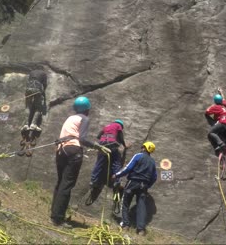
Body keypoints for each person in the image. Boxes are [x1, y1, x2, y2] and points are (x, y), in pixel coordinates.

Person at [50, 96, 111, 227]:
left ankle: (54, 214)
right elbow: (82, 139)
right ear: (87, 109)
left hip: (61, 150)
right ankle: (58, 219)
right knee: (67, 185)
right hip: (73, 150)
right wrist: (97, 146)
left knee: (61, 183)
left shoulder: (70, 118)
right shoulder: (84, 118)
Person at [112, 141, 157, 236]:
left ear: (144, 148)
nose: (141, 148)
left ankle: (125, 225)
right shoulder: (152, 162)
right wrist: (148, 185)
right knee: (141, 206)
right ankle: (141, 229)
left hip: (133, 182)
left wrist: (117, 175)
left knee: (125, 203)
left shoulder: (138, 156)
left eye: (143, 147)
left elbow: (128, 168)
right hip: (144, 186)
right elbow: (154, 177)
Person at [87, 119, 131, 203]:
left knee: (99, 163)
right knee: (116, 162)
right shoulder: (118, 126)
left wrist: (105, 138)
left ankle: (93, 181)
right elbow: (121, 137)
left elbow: (98, 136)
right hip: (112, 145)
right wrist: (125, 145)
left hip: (102, 144)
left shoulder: (107, 126)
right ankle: (117, 182)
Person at [205, 87, 226, 161]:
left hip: (223, 123)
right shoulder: (225, 105)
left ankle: (221, 144)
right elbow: (223, 99)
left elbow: (207, 112)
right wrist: (221, 92)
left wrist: (214, 105)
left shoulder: (216, 107)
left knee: (211, 133)